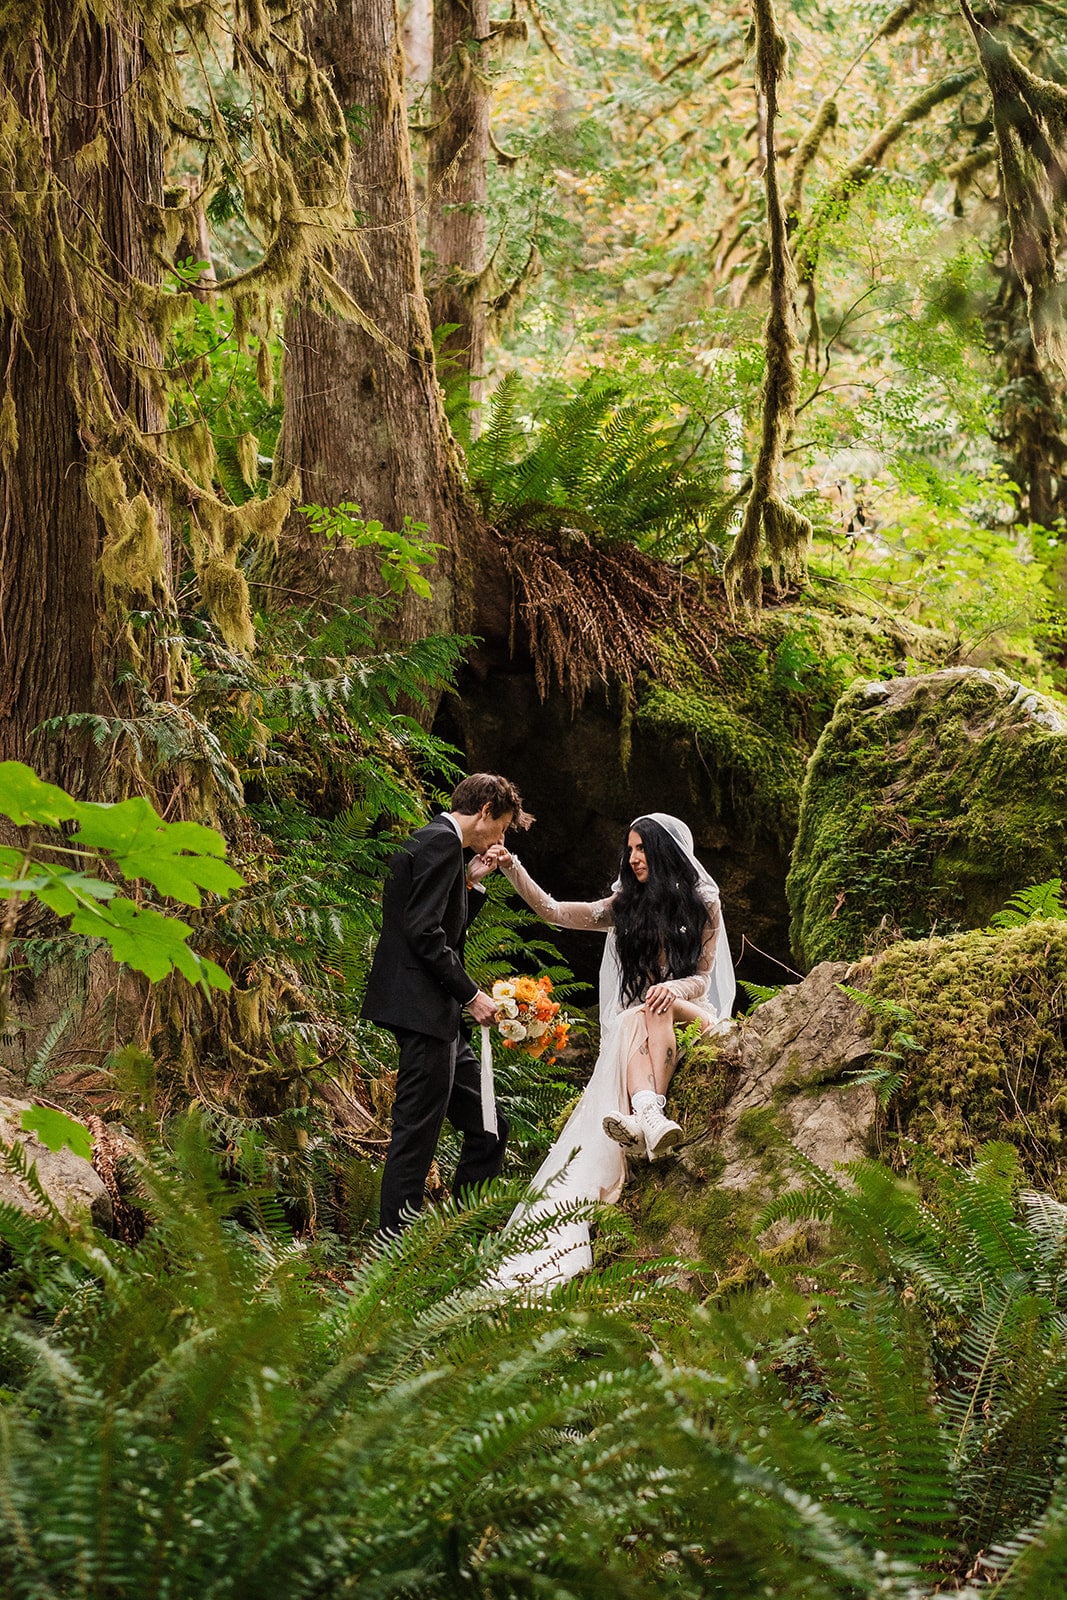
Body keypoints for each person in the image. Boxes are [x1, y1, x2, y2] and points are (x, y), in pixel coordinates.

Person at [489, 813, 735, 1285]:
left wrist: (674, 990)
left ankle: (642, 1110)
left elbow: (703, 976)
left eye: (642, 848)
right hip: (646, 1017)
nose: (634, 857)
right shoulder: (624, 906)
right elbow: (554, 911)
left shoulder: (704, 904)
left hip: (689, 1006)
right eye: (630, 849)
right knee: (642, 1009)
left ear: (664, 852)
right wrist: (510, 865)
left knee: (654, 1001)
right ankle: (651, 1113)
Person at [363, 773, 530, 1236]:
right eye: (502, 828)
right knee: (415, 1137)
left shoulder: (440, 847)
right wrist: (472, 994)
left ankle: (464, 1238)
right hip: (424, 1011)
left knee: (489, 1126)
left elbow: (443, 924)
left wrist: (472, 884)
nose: (500, 839)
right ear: (485, 812)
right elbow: (423, 932)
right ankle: (391, 1257)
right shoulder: (439, 843)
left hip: (439, 1018)